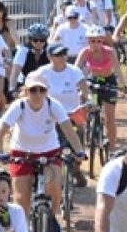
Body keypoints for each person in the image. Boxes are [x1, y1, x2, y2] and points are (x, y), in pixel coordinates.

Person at [0, 70, 86, 232]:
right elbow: (0, 130)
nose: (37, 94)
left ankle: (51, 217)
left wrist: (79, 151)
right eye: (33, 90)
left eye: (41, 90)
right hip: (22, 153)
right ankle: (24, 231)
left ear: (46, 91)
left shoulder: (53, 105)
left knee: (54, 188)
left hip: (49, 152)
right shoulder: (19, 106)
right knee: (21, 198)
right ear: (26, 91)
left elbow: (69, 131)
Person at [33, 42, 90, 185]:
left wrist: (90, 101)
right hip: (50, 115)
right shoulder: (42, 72)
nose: (63, 57)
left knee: (79, 134)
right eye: (58, 54)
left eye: (64, 53)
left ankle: (76, 168)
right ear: (50, 56)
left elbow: (86, 91)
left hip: (72, 113)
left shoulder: (74, 71)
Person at [75, 26, 120, 153]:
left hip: (108, 82)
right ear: (88, 41)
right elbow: (75, 69)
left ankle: (112, 149)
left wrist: (123, 85)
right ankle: (87, 122)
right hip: (93, 81)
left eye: (99, 41)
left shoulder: (110, 52)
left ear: (103, 41)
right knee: (86, 98)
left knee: (110, 119)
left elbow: (117, 69)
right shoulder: (84, 52)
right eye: (92, 41)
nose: (96, 44)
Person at [8, 22, 53, 93]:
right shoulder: (23, 50)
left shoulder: (50, 50)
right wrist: (12, 89)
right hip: (26, 83)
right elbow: (15, 71)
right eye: (35, 40)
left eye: (42, 40)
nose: (39, 43)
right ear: (30, 39)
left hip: (46, 84)